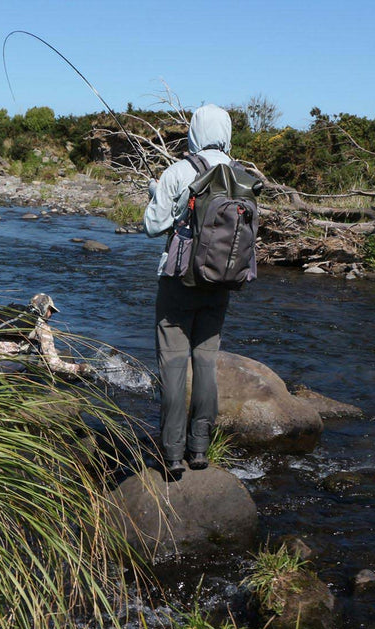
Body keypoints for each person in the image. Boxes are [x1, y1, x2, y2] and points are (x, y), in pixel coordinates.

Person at [144, 104, 234, 475]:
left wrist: (156, 192)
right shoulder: (239, 175)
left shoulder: (178, 172)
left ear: (194, 132)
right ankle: (200, 449)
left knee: (174, 365)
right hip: (220, 282)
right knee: (207, 363)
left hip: (178, 282)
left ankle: (173, 454)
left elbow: (152, 226)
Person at [0, 293, 93, 379]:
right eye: (50, 310)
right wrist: (79, 368)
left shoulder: (11, 314)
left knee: (30, 349)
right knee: (33, 358)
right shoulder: (41, 326)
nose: (51, 314)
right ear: (44, 309)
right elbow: (53, 364)